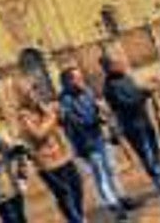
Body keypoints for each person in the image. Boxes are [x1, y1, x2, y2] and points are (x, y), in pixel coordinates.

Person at [56, 67, 132, 218]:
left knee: (111, 169)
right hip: (86, 143)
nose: (80, 80)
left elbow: (98, 109)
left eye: (80, 77)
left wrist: (102, 112)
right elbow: (76, 123)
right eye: (76, 78)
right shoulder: (65, 101)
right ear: (67, 82)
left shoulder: (87, 91)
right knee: (100, 174)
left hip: (100, 137)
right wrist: (96, 119)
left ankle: (122, 197)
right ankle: (112, 204)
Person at [102, 52, 160, 196]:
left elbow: (135, 91)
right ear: (110, 67)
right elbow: (126, 104)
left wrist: (147, 89)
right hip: (132, 126)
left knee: (155, 151)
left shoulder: (126, 77)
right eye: (119, 62)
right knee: (147, 155)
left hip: (144, 120)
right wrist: (145, 94)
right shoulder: (110, 87)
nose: (124, 64)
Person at [15, 78, 84, 223]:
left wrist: (60, 113)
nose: (35, 94)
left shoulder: (43, 107)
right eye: (31, 91)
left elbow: (61, 121)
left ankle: (79, 216)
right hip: (47, 162)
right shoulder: (23, 116)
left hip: (63, 154)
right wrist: (52, 116)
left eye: (35, 90)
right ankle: (75, 219)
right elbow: (38, 134)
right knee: (64, 194)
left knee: (77, 187)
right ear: (24, 96)